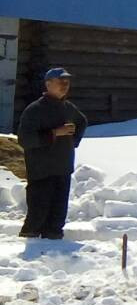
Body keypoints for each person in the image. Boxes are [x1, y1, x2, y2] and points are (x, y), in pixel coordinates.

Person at [17, 67, 88, 240]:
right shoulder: (35, 110)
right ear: (48, 84)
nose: (65, 85)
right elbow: (25, 139)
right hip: (41, 168)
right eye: (60, 82)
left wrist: (72, 141)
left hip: (63, 166)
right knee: (38, 214)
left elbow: (82, 122)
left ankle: (54, 240)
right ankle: (30, 248)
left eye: (67, 82)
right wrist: (55, 133)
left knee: (58, 214)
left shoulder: (69, 108)